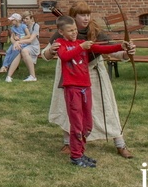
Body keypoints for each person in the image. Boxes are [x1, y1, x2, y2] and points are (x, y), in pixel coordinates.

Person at [42, 1, 136, 159]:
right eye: (82, 15)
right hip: (69, 74)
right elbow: (45, 54)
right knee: (69, 109)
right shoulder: (64, 31)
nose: (86, 18)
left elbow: (109, 50)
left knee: (106, 106)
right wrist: (51, 51)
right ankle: (68, 142)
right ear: (73, 17)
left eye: (88, 14)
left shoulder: (95, 31)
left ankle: (120, 143)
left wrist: (126, 51)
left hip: (93, 72)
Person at [54, 15, 128, 167]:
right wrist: (81, 47)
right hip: (72, 89)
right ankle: (75, 156)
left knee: (87, 124)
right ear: (61, 32)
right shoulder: (60, 43)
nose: (74, 33)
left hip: (85, 88)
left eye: (75, 29)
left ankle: (81, 152)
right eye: (70, 31)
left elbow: (102, 48)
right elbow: (65, 55)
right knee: (76, 124)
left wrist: (122, 46)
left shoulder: (82, 43)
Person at [6, 11, 40, 82]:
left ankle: (33, 76)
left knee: (24, 51)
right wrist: (15, 42)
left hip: (33, 46)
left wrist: (18, 42)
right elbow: (13, 37)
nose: (25, 20)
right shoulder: (22, 25)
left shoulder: (35, 26)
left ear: (31, 18)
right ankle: (9, 76)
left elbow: (30, 40)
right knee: (18, 51)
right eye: (24, 19)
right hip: (23, 45)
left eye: (27, 19)